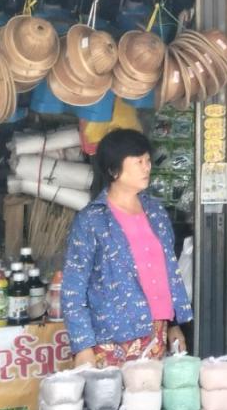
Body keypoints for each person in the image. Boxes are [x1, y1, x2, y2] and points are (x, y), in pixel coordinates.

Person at [63, 129, 194, 366]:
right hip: (110, 338)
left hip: (156, 332)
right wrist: (82, 345)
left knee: (150, 390)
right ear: (114, 170)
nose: (147, 168)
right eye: (138, 162)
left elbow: (167, 273)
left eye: (148, 160)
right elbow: (73, 287)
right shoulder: (92, 219)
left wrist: (174, 324)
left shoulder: (156, 212)